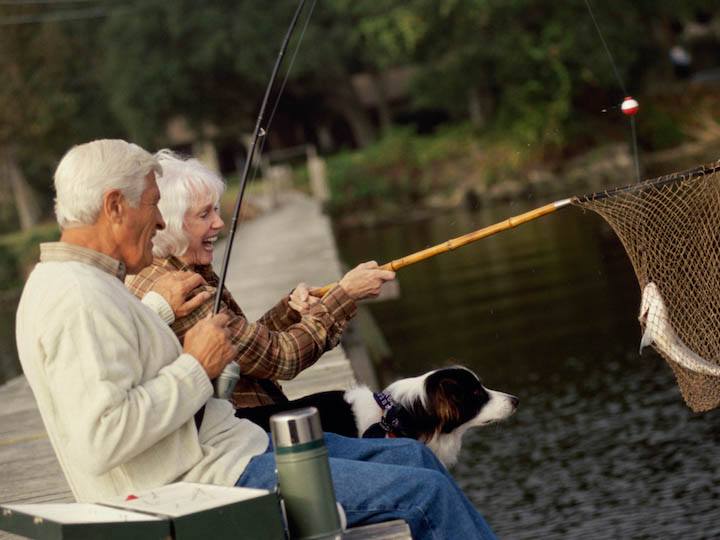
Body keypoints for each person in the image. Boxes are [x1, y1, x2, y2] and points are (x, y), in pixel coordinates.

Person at [15, 139, 497, 539]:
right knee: (425, 493)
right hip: (207, 482)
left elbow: (120, 368)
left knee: (413, 454)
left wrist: (162, 313)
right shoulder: (77, 298)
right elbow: (102, 436)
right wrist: (194, 365)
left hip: (232, 449)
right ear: (114, 206)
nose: (159, 222)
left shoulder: (80, 283)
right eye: (152, 204)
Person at [126, 149, 393, 436]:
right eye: (205, 214)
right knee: (346, 409)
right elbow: (281, 358)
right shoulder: (181, 288)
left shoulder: (169, 266)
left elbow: (247, 345)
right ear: (170, 224)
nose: (218, 223)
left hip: (230, 417)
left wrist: (290, 310)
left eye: (216, 209)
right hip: (228, 432)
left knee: (339, 407)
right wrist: (345, 296)